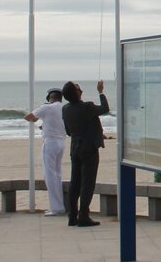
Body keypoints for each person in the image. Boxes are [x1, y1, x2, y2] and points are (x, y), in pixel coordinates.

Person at [61, 79, 109, 227]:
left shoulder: (65, 109)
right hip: (89, 148)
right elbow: (105, 108)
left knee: (75, 182)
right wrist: (100, 92)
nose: (80, 89)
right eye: (78, 88)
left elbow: (68, 131)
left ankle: (72, 216)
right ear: (75, 93)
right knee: (87, 183)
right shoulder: (87, 107)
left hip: (75, 148)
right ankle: (83, 216)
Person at [24, 88, 67, 216]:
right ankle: (59, 205)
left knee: (49, 175)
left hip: (50, 142)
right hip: (62, 141)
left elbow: (29, 117)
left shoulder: (47, 107)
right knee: (57, 174)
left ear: (50, 98)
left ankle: (56, 207)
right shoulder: (63, 108)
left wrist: (38, 119)